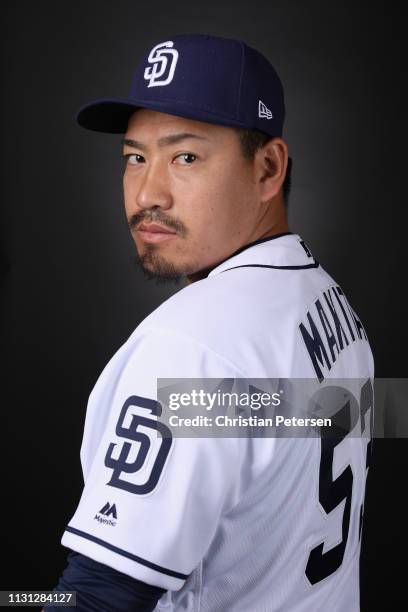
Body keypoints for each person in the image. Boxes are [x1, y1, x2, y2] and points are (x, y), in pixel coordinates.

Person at [45, 34, 374, 611]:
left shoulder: (192, 346)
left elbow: (97, 597)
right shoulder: (330, 302)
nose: (147, 192)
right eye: (135, 157)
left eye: (186, 157)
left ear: (268, 168)